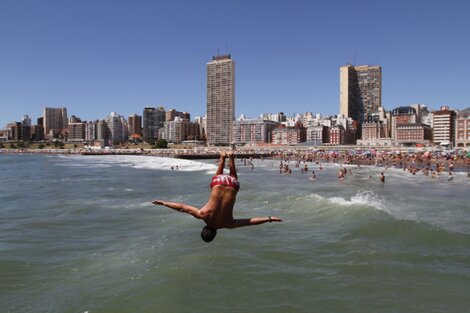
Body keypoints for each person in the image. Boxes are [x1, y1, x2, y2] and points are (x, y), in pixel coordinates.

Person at [152, 151, 282, 242]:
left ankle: (231, 159)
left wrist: (269, 218)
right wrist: (164, 203)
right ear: (204, 228)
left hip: (232, 185)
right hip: (218, 182)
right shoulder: (202, 215)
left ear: (215, 233)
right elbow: (182, 208)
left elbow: (250, 222)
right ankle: (223, 158)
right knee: (216, 183)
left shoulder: (229, 224)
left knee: (232, 184)